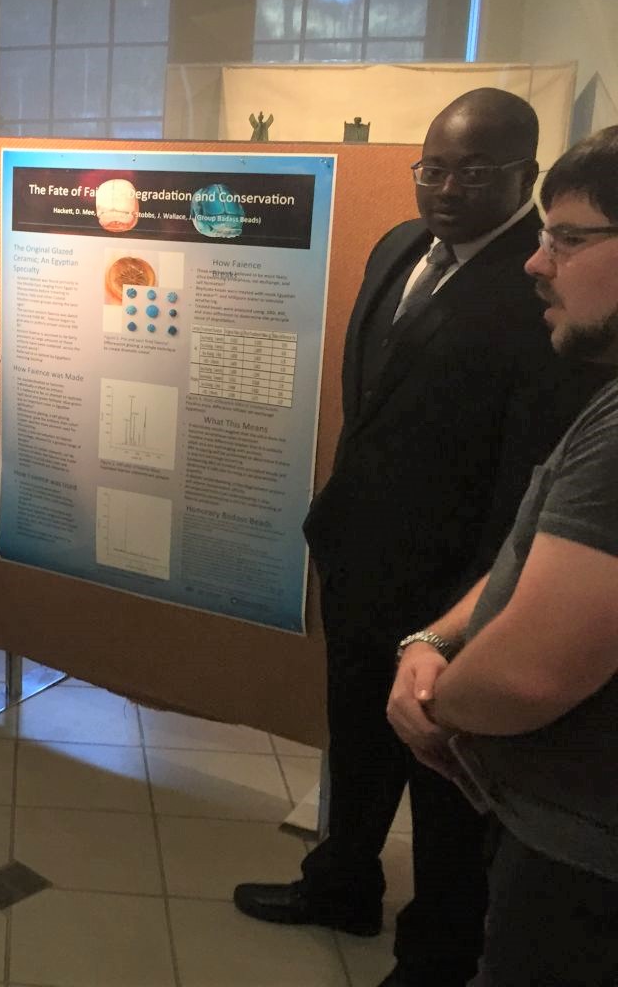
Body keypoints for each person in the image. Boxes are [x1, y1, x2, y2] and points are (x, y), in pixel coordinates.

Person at [233, 90, 606, 987]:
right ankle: (342, 882)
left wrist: (470, 617)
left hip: (456, 587)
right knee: (357, 744)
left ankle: (435, 952)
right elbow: (371, 405)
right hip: (362, 561)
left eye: (473, 174)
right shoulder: (400, 248)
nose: (445, 189)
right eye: (432, 169)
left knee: (447, 793)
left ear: (523, 175)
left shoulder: (542, 288)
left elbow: (524, 474)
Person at [385, 124, 618, 987]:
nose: (537, 261)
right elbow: (544, 544)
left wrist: (432, 707)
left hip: (581, 859)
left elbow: (527, 676)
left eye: (569, 238)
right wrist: (435, 640)